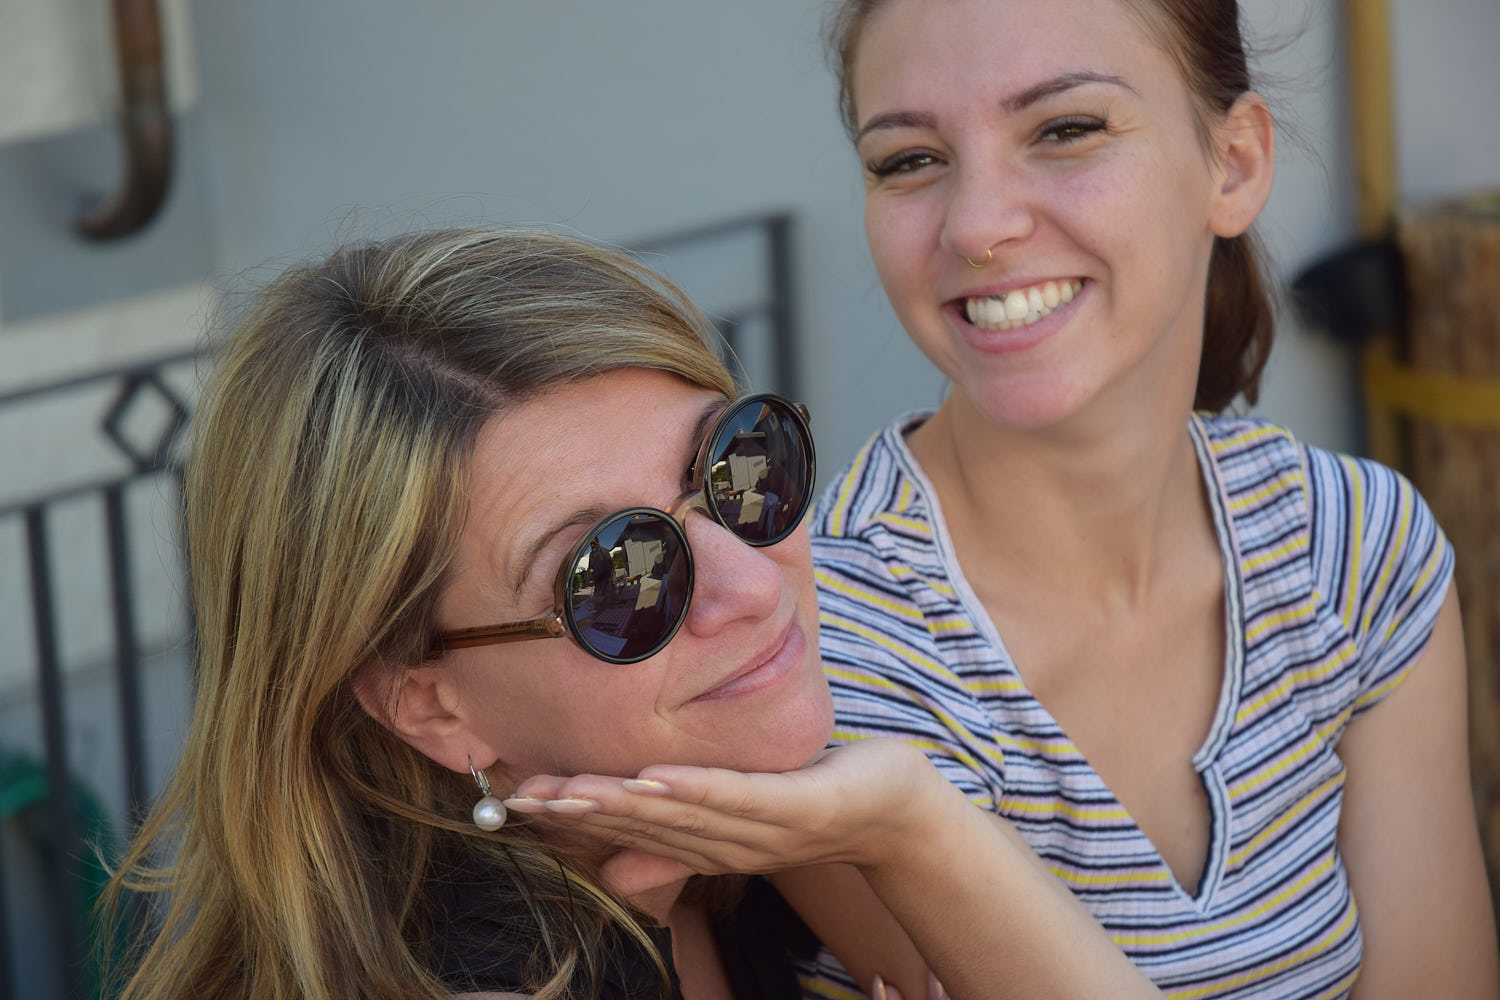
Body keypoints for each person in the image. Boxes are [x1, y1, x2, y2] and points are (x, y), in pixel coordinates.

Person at [520, 1, 1499, 997]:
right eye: (910, 159)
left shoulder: (1354, 541)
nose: (978, 226)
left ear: (1235, 163)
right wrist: (908, 824)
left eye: (1066, 129)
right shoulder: (800, 650)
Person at [100, 226, 844, 1000]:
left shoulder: (748, 848)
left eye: (737, 465)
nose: (753, 585)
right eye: (617, 576)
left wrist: (898, 830)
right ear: (428, 704)